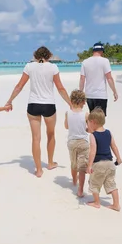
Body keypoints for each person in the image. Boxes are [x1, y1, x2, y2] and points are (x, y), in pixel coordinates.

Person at [6, 46, 72, 178]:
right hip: (49, 105)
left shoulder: (29, 67)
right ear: (49, 56)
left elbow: (19, 86)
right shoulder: (53, 67)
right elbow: (60, 88)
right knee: (51, 134)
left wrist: (10, 101)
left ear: (36, 56)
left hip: (33, 105)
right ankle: (50, 163)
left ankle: (38, 170)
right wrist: (71, 104)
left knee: (36, 138)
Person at [86, 108, 122, 211]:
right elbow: (114, 146)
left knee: (94, 183)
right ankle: (116, 205)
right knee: (111, 184)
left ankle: (97, 202)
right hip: (110, 164)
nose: (88, 126)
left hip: (99, 164)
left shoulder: (93, 135)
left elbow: (92, 152)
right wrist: (118, 158)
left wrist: (89, 166)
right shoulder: (108, 133)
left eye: (88, 123)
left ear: (93, 122)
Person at [79, 42, 118, 116]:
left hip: (89, 95)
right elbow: (109, 78)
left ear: (93, 51)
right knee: (100, 120)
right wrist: (114, 92)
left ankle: (91, 128)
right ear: (101, 51)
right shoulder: (105, 61)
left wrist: (80, 93)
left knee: (92, 118)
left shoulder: (85, 62)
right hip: (100, 95)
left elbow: (82, 79)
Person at [64, 89, 90, 197]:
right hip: (83, 142)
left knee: (73, 164)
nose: (85, 103)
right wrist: (86, 130)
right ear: (80, 101)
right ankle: (80, 190)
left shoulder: (67, 113)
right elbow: (89, 128)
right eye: (84, 101)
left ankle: (74, 180)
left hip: (71, 142)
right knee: (82, 167)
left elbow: (66, 126)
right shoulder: (86, 114)